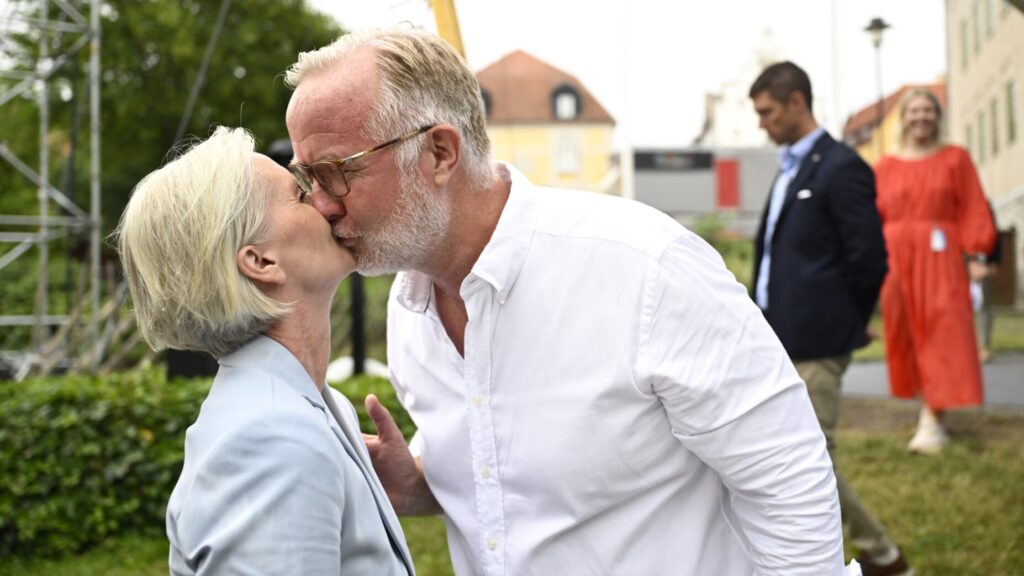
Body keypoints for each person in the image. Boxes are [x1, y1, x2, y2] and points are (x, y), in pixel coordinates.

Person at [285, 29, 855, 576]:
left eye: (336, 172)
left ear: (438, 152)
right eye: (305, 176)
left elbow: (787, 480)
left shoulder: (644, 268)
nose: (320, 204)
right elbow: (512, 467)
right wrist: (421, 481)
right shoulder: (412, 312)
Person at [114, 127, 414, 575]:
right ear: (260, 262)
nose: (325, 201)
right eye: (299, 193)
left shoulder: (299, 407)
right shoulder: (275, 435)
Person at [748, 61, 910, 576]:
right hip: (780, 339)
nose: (761, 123)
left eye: (767, 111)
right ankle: (877, 550)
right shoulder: (789, 168)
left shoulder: (841, 166)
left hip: (818, 342)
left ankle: (880, 553)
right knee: (798, 454)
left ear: (797, 101)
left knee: (807, 460)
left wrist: (845, 322)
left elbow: (870, 261)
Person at [874, 88, 997, 455]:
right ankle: (928, 407)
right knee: (906, 331)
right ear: (904, 117)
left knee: (942, 330)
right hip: (895, 256)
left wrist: (977, 252)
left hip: (940, 255)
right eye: (914, 110)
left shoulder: (955, 158)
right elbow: (872, 216)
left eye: (928, 110)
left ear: (937, 116)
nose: (921, 117)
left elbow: (974, 205)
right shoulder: (885, 166)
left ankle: (933, 418)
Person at [971, 201, 1001, 363]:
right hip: (960, 262)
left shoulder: (985, 206)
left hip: (983, 263)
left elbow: (994, 235)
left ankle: (984, 346)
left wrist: (994, 261)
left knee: (984, 306)